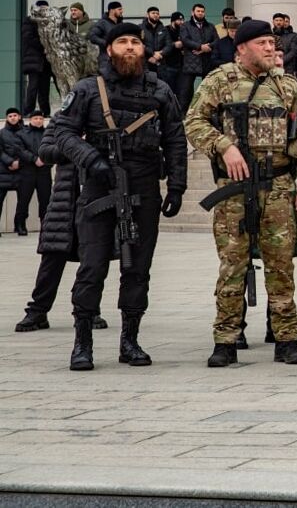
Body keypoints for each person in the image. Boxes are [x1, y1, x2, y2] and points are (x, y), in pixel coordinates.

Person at [184, 20, 297, 368]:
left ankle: (286, 337)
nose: (271, 48)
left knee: (281, 265)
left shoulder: (287, 86)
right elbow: (193, 122)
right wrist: (223, 145)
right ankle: (226, 338)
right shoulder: (220, 81)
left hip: (277, 187)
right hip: (234, 191)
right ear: (241, 48)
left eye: (272, 42)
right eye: (262, 43)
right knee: (233, 264)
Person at [54, 23, 187, 370]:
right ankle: (82, 342)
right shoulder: (87, 89)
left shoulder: (160, 90)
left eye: (135, 42)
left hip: (143, 186)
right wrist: (91, 160)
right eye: (122, 42)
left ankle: (130, 340)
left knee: (137, 267)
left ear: (144, 50)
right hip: (99, 186)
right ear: (109, 49)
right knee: (92, 266)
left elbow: (175, 138)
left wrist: (177, 186)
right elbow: (62, 133)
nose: (130, 47)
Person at [14, 111, 109, 333]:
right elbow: (45, 152)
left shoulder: (104, 117)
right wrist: (77, 148)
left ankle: (88, 309)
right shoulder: (62, 118)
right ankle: (37, 311)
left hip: (96, 197)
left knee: (93, 260)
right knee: (51, 259)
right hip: (64, 200)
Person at [0, 108, 51, 236]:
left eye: (40, 118)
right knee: (23, 200)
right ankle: (20, 224)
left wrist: (46, 160)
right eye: (35, 118)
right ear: (30, 120)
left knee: (45, 200)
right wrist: (34, 159)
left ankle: (45, 225)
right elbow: (20, 150)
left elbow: (53, 149)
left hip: (44, 172)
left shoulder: (48, 134)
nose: (38, 120)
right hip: (27, 171)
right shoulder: (22, 133)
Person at [178, 3, 219, 111]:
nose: (200, 13)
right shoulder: (185, 26)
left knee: (209, 89)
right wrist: (200, 46)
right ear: (192, 12)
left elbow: (216, 40)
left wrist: (208, 47)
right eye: (198, 11)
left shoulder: (210, 26)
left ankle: (208, 112)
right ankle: (184, 115)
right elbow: (185, 40)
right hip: (190, 61)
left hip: (206, 61)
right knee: (186, 91)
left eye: (202, 11)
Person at [21, 1, 52, 117]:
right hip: (34, 59)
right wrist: (44, 46)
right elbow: (28, 38)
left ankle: (45, 112)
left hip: (45, 61)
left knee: (45, 88)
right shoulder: (29, 21)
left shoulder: (47, 22)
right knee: (33, 87)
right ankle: (28, 111)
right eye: (43, 9)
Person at [88, 2, 124, 73]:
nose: (122, 11)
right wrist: (107, 43)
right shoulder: (102, 23)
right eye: (119, 9)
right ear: (111, 10)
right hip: (106, 61)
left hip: (119, 61)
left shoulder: (121, 24)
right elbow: (92, 36)